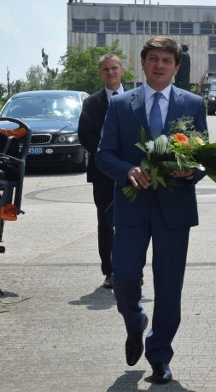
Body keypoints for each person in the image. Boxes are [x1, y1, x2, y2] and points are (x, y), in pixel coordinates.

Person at [95, 36, 207, 384]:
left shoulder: (193, 104)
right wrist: (127, 170)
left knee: (169, 284)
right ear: (142, 63)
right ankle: (135, 322)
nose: (160, 65)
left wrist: (191, 171)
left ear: (176, 67)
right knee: (125, 276)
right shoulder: (121, 105)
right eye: (154, 59)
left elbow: (204, 157)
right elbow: (103, 154)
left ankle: (159, 355)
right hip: (131, 206)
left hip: (174, 208)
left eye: (167, 61)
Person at [78, 54, 124, 289]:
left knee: (133, 223)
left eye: (114, 68)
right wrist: (107, 154)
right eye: (105, 69)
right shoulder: (91, 103)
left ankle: (130, 269)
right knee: (106, 223)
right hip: (103, 173)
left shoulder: (136, 99)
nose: (110, 72)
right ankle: (110, 272)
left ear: (122, 70)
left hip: (132, 173)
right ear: (100, 73)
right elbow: (84, 135)